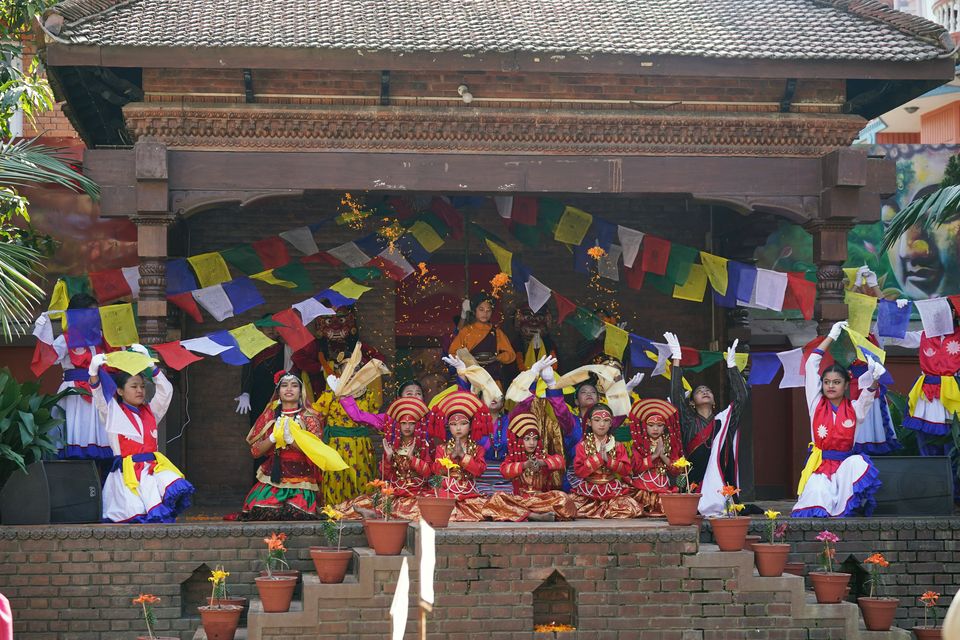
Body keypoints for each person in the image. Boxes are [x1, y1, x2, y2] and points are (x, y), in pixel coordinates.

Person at [88, 345, 194, 523]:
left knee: (163, 504)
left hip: (153, 471)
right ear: (120, 391)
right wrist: (93, 372)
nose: (140, 390)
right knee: (136, 516)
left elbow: (166, 391)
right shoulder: (113, 413)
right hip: (127, 477)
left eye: (142, 387)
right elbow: (99, 398)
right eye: (134, 386)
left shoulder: (151, 411)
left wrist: (150, 365)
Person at [791, 321, 885, 518]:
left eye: (836, 382)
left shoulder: (854, 409)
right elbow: (811, 364)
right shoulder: (815, 404)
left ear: (845, 386)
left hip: (844, 469)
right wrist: (831, 337)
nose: (830, 386)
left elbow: (868, 394)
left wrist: (875, 379)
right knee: (817, 493)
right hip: (822, 466)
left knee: (858, 462)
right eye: (826, 382)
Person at [241, 371, 341, 520]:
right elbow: (255, 452)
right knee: (262, 511)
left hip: (302, 479)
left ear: (301, 392)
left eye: (294, 386)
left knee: (295, 513)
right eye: (284, 386)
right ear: (278, 391)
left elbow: (316, 453)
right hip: (273, 477)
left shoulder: (309, 417)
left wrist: (290, 440)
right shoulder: (269, 416)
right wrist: (273, 438)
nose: (289, 389)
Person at [665, 333, 748, 490]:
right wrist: (676, 359)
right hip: (695, 485)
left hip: (721, 485)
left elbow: (742, 398)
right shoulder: (688, 420)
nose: (704, 392)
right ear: (692, 402)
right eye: (699, 391)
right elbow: (677, 396)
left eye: (708, 390)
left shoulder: (723, 422)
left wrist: (732, 367)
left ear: (714, 400)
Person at [333, 397, 433, 521]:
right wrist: (389, 458)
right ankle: (373, 513)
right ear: (398, 425)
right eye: (403, 423)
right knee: (363, 503)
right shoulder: (394, 445)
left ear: (417, 425)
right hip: (395, 490)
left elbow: (428, 472)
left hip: (416, 491)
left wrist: (412, 458)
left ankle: (375, 514)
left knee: (411, 510)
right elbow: (385, 475)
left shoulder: (423, 444)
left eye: (411, 423)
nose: (407, 427)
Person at [46, 293, 114, 462]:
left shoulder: (101, 336)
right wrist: (43, 331)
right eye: (88, 313)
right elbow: (50, 358)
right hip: (74, 391)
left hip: (98, 387)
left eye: (95, 313)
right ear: (77, 314)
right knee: (77, 429)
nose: (93, 317)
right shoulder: (66, 338)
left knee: (98, 434)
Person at [481, 412, 577, 522]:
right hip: (519, 501)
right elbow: (505, 471)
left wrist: (541, 463)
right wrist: (524, 465)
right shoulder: (513, 458)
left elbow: (560, 462)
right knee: (496, 499)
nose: (532, 443)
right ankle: (534, 516)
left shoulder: (541, 456)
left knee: (564, 499)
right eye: (527, 439)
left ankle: (527, 514)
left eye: (535, 439)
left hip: (541, 500)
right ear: (519, 440)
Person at [312, 355, 380, 505]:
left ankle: (361, 508)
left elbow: (375, 421)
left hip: (362, 446)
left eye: (356, 369)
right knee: (336, 478)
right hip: (337, 446)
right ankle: (335, 511)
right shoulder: (330, 394)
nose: (352, 373)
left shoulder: (368, 395)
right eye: (347, 369)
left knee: (363, 478)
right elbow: (314, 416)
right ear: (340, 372)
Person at [429, 391, 494, 521]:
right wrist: (452, 456)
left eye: (463, 423)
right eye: (453, 424)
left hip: (469, 493)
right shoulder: (442, 448)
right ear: (449, 427)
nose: (458, 428)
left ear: (470, 427)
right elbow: (436, 470)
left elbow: (479, 471)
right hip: (446, 492)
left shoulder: (477, 449)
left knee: (490, 508)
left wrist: (463, 456)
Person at [571, 403, 644, 519]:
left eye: (606, 420)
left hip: (612, 489)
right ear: (589, 422)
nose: (601, 424)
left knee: (631, 509)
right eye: (597, 420)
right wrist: (599, 458)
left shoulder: (618, 445)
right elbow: (579, 471)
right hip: (589, 490)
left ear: (610, 424)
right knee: (571, 508)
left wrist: (608, 460)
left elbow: (626, 470)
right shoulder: (582, 446)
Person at [628, 399, 683, 516]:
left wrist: (662, 456)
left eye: (659, 425)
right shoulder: (639, 443)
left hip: (663, 485)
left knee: (670, 507)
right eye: (651, 425)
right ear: (645, 426)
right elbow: (635, 468)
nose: (655, 429)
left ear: (665, 427)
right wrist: (654, 456)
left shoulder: (670, 442)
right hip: (642, 486)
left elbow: (677, 470)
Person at [449, 293, 517, 385]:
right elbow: (452, 353)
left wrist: (497, 358)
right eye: (481, 310)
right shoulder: (466, 331)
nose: (485, 313)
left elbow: (511, 355)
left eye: (488, 310)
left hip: (492, 382)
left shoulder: (496, 332)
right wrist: (467, 360)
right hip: (471, 381)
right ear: (474, 311)